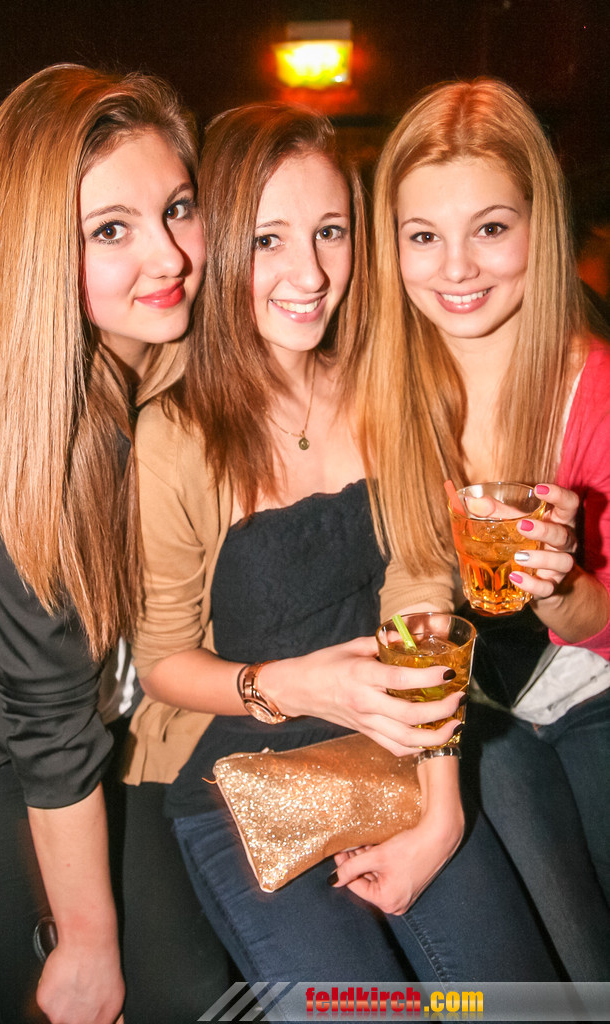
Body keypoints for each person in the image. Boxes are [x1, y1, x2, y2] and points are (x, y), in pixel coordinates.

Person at [124, 101, 558, 1005]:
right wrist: (299, 686)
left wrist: (441, 813)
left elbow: (419, 590)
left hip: (404, 746)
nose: (310, 273)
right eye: (268, 240)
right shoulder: (173, 437)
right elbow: (163, 662)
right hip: (243, 776)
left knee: (515, 997)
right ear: (221, 247)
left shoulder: (382, 386)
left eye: (330, 231)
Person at [0, 63, 211, 1024]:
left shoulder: (186, 370)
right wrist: (87, 944)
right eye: (110, 230)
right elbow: (46, 726)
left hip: (120, 725)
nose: (168, 256)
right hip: (0, 758)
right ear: (42, 253)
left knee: (192, 989)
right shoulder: (29, 439)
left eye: (178, 208)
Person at [363, 77, 610, 980]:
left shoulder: (596, 389)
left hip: (593, 690)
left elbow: (598, 627)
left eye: (491, 228)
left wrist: (565, 586)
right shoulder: (385, 386)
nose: (456, 268)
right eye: (424, 235)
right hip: (480, 714)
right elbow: (413, 587)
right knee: (560, 969)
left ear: (542, 225)